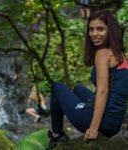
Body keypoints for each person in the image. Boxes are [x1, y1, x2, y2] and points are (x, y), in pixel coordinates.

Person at [46, 10, 128, 149]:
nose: (94, 34)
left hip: (103, 123)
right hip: (114, 123)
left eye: (100, 29)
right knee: (78, 89)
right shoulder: (121, 55)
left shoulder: (103, 54)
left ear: (110, 30)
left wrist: (93, 128)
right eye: (91, 29)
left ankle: (57, 135)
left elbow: (103, 91)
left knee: (57, 87)